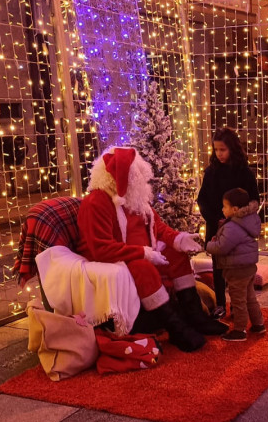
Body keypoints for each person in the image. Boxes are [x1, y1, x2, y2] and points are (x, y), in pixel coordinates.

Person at [76, 147, 228, 353]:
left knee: (176, 255)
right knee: (142, 267)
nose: (140, 181)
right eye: (135, 176)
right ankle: (176, 328)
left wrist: (179, 240)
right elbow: (100, 249)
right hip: (115, 259)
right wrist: (143, 253)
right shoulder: (96, 202)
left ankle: (195, 316)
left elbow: (159, 228)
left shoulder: (136, 199)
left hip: (143, 250)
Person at [197, 128, 259, 318]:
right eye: (216, 150)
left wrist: (236, 218)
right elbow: (202, 199)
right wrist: (215, 219)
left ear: (232, 148)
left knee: (238, 270)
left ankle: (239, 305)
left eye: (223, 149)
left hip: (238, 229)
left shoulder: (244, 173)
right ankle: (221, 303)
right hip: (217, 225)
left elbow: (253, 200)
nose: (219, 154)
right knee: (218, 267)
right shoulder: (211, 172)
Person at [206, 188, 265, 341]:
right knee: (250, 297)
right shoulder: (247, 220)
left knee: (238, 300)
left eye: (224, 206)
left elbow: (222, 247)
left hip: (237, 269)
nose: (222, 209)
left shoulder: (234, 226)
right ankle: (258, 324)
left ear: (235, 209)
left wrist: (208, 245)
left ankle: (239, 330)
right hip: (248, 267)